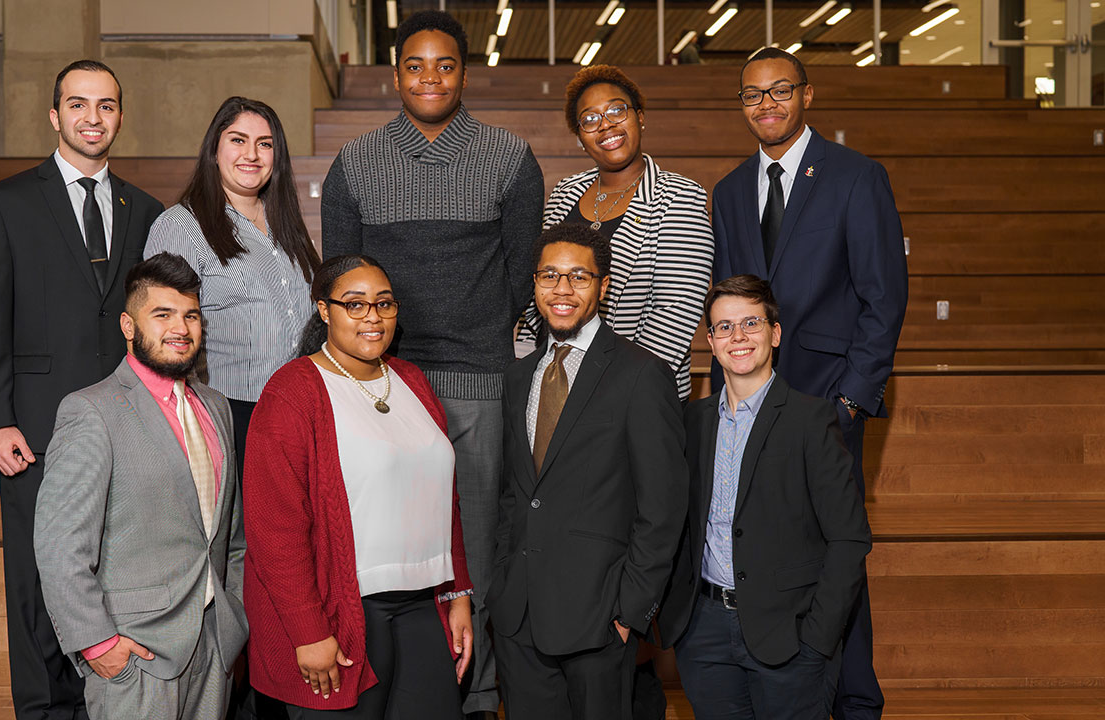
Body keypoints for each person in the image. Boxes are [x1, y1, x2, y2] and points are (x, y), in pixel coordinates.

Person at [320, 11, 544, 718]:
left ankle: (476, 699)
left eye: (445, 65)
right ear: (395, 75)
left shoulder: (508, 157)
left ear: (465, 74)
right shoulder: (357, 163)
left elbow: (522, 278)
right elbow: (343, 276)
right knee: (388, 544)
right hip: (384, 384)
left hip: (479, 380)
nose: (430, 78)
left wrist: (489, 344)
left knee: (472, 547)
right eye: (415, 65)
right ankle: (393, 689)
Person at [708, 47, 908, 719]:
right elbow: (732, 300)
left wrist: (850, 401)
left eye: (780, 90)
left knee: (835, 555)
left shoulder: (856, 176)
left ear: (807, 95)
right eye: (753, 94)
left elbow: (884, 298)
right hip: (753, 407)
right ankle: (785, 687)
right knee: (768, 550)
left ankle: (856, 703)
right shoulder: (730, 190)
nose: (766, 104)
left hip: (826, 402)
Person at [0, 58, 164, 720]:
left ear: (120, 117)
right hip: (36, 428)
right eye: (78, 104)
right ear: (55, 116)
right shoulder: (6, 202)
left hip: (124, 426)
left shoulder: (147, 211)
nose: (92, 117)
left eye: (106, 105)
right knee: (36, 583)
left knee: (108, 579)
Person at [241, 254, 474, 719]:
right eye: (355, 304)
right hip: (340, 612)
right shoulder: (293, 391)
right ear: (324, 311)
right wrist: (308, 631)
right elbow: (274, 530)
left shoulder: (411, 380)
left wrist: (458, 593)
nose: (373, 317)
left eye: (384, 304)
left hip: (422, 606)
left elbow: (443, 501)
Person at [33, 253, 249, 720]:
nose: (180, 328)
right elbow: (60, 545)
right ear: (129, 326)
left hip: (214, 647)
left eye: (191, 315)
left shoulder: (216, 407)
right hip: (135, 655)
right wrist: (97, 644)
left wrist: (234, 618)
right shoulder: (91, 411)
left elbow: (232, 536)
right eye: (163, 314)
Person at [488, 224, 687, 720]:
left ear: (604, 286)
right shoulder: (518, 377)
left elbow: (662, 508)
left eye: (578, 276)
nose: (562, 289)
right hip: (518, 619)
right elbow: (514, 495)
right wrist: (501, 582)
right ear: (534, 285)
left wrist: (630, 610)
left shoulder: (642, 375)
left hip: (600, 620)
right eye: (549, 276)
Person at [658, 274, 872, 719]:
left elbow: (849, 539)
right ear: (711, 342)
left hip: (790, 639)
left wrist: (818, 638)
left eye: (750, 323)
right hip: (705, 636)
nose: (737, 336)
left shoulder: (812, 421)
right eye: (724, 327)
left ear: (775, 334)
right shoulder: (692, 422)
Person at [145, 96, 318, 468]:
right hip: (225, 414)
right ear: (214, 150)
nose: (251, 154)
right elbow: (162, 335)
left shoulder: (286, 226)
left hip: (295, 410)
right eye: (238, 140)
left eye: (264, 144)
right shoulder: (181, 227)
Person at [525, 64, 714, 403]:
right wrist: (528, 363)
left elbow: (675, 313)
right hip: (554, 383)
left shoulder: (678, 197)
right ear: (580, 137)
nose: (606, 125)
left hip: (636, 394)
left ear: (639, 116)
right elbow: (542, 286)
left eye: (616, 110)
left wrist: (613, 392)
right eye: (589, 119)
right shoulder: (565, 193)